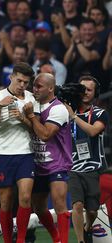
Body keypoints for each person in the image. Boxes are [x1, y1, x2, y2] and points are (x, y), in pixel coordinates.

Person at [0, 62, 35, 243]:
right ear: (11, 77)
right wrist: (0, 106)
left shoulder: (31, 99)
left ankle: (20, 239)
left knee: (26, 197)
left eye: (26, 82)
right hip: (2, 154)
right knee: (5, 201)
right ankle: (7, 240)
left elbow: (35, 130)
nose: (22, 85)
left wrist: (23, 118)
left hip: (25, 153)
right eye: (19, 80)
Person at [23, 73, 73, 243]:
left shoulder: (58, 109)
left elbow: (45, 134)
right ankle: (56, 237)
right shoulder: (35, 106)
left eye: (39, 86)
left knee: (59, 204)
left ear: (51, 88)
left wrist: (29, 117)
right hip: (38, 165)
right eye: (34, 86)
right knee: (38, 207)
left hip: (57, 164)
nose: (35, 89)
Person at [65, 75, 109, 243]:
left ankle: (87, 228)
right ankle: (80, 240)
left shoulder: (100, 113)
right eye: (82, 89)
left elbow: (92, 131)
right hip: (73, 167)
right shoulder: (66, 111)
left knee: (92, 211)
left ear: (95, 93)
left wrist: (73, 117)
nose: (85, 93)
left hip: (94, 168)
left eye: (89, 90)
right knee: (77, 205)